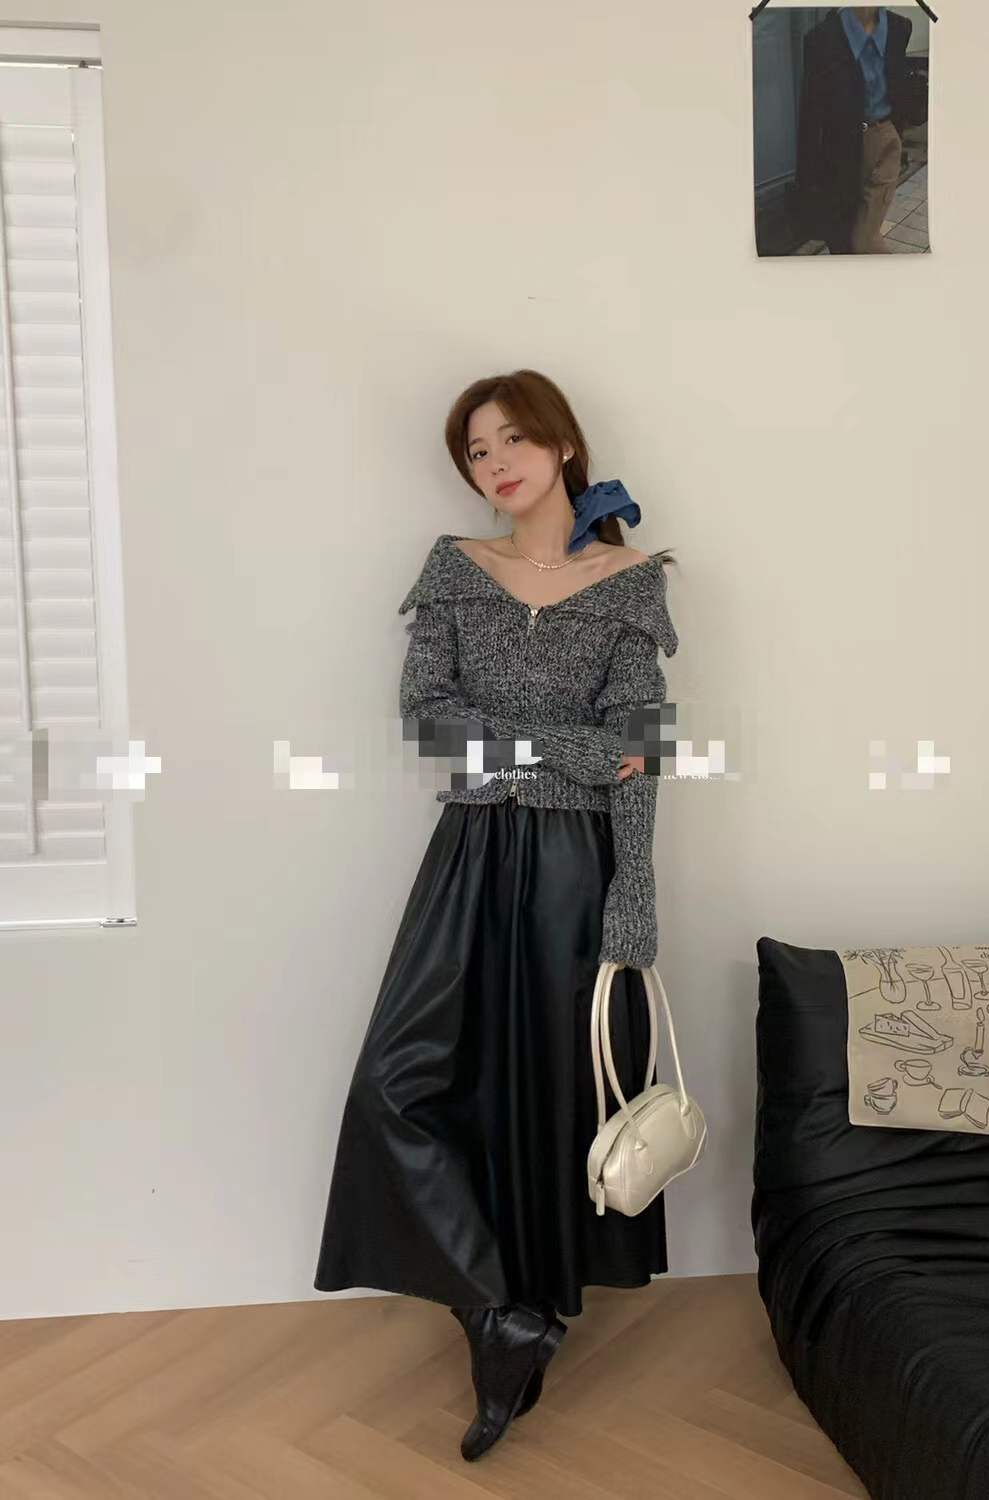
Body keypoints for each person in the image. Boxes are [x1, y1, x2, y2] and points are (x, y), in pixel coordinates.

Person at [313, 368, 679, 1460]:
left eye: (515, 439)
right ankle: (493, 1310)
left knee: (549, 1094)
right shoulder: (455, 570)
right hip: (470, 852)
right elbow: (428, 720)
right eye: (477, 450)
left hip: (578, 864)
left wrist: (635, 893)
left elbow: (642, 754)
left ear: (562, 445)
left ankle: (521, 1327)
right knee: (397, 1082)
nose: (497, 462)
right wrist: (574, 748)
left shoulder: (632, 582)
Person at [795, 6, 924, 254]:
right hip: (839, 153)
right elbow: (811, 113)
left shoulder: (899, 27)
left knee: (864, 239)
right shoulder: (821, 38)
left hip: (885, 140)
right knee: (842, 241)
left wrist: (896, 131)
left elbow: (896, 83)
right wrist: (806, 183)